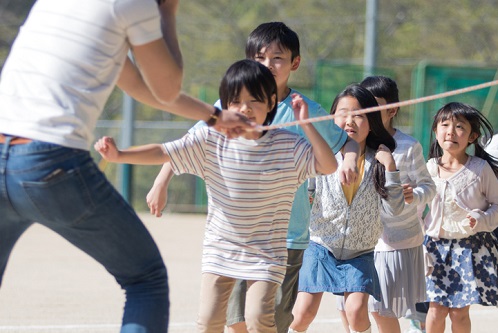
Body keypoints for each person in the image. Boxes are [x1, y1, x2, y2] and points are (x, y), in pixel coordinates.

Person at [0, 1, 253, 332]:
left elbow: (139, 87)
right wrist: (168, 11)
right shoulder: (132, 4)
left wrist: (215, 117)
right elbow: (167, 86)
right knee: (145, 279)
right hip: (48, 160)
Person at [95, 59, 340, 333]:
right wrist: (119, 156)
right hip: (221, 250)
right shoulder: (211, 140)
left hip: (266, 254)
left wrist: (305, 124)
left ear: (271, 103)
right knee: (209, 321)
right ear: (224, 106)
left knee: (258, 318)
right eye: (235, 101)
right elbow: (163, 152)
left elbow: (329, 165)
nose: (244, 108)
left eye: (254, 101)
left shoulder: (289, 145)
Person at [145, 22, 359, 333]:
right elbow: (189, 145)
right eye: (259, 58)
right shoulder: (230, 106)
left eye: (277, 59)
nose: (268, 66)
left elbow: (345, 142)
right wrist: (160, 181)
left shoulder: (304, 110)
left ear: (294, 63)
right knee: (234, 321)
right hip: (236, 237)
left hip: (286, 237)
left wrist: (349, 159)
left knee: (267, 321)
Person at [289, 84, 405, 333]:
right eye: (343, 113)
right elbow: (305, 191)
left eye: (359, 114)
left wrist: (392, 168)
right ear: (332, 118)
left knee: (356, 313)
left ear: (372, 121)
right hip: (320, 245)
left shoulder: (380, 160)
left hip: (360, 252)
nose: (350, 120)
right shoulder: (322, 154)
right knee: (302, 314)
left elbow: (395, 210)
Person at [357, 76, 436, 333]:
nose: (366, 111)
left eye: (374, 105)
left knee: (379, 310)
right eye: (362, 105)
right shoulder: (353, 144)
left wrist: (415, 194)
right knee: (353, 311)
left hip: (392, 242)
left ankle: (417, 321)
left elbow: (429, 186)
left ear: (392, 110)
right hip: (358, 241)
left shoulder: (408, 146)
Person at [423, 102, 498, 333]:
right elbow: (414, 214)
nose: (451, 131)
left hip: (469, 250)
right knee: (436, 309)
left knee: (459, 311)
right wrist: (419, 247)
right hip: (433, 249)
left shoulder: (480, 169)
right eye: (444, 125)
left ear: (472, 136)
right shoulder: (428, 169)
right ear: (436, 131)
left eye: (459, 127)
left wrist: (481, 219)